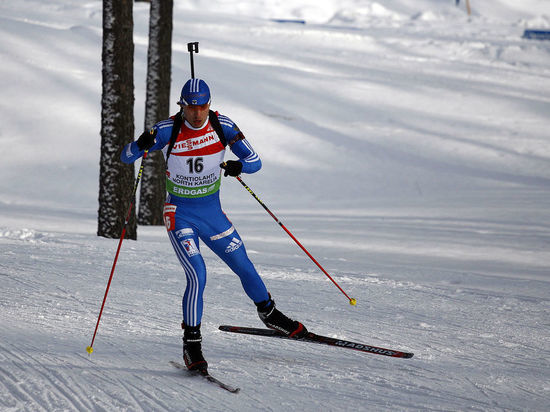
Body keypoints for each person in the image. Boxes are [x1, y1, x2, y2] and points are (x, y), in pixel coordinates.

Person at [121, 78, 307, 372]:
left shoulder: (224, 125)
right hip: (179, 213)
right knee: (198, 273)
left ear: (210, 104)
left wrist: (239, 166)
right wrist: (140, 144)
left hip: (212, 213)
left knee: (243, 263)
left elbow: (255, 161)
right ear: (182, 105)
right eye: (191, 106)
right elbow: (126, 156)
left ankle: (270, 314)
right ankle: (191, 345)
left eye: (203, 106)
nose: (197, 113)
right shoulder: (167, 129)